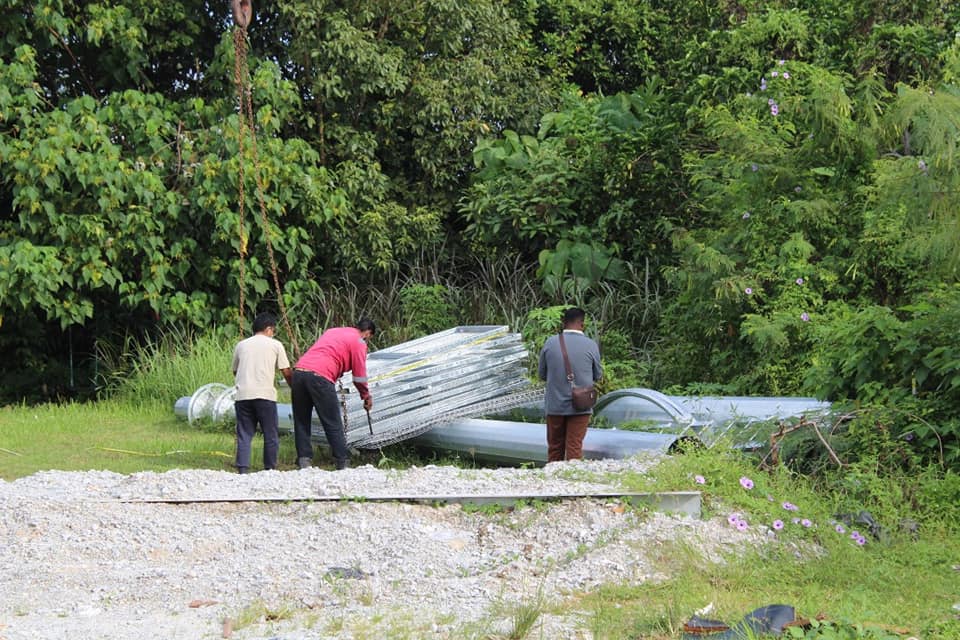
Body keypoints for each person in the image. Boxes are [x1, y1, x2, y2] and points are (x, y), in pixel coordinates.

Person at [291, 318, 376, 470]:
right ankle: (342, 461)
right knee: (332, 421)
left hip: (298, 372)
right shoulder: (359, 342)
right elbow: (359, 376)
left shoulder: (333, 331)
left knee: (301, 420)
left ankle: (304, 460)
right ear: (368, 333)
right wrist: (366, 395)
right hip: (320, 376)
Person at [537, 307, 603, 462]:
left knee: (554, 447)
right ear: (582, 323)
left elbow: (542, 375)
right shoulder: (591, 345)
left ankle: (553, 480)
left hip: (555, 406)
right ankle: (572, 479)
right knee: (574, 446)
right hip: (581, 406)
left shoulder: (550, 343)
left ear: (563, 322)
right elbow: (598, 375)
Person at [232, 311, 293, 474]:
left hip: (243, 395)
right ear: (268, 329)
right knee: (270, 434)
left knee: (244, 433)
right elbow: (285, 371)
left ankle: (243, 469)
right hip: (265, 396)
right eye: (273, 330)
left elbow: (235, 370)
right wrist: (294, 387)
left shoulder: (241, 345)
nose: (273, 334)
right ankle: (269, 468)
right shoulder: (275, 345)